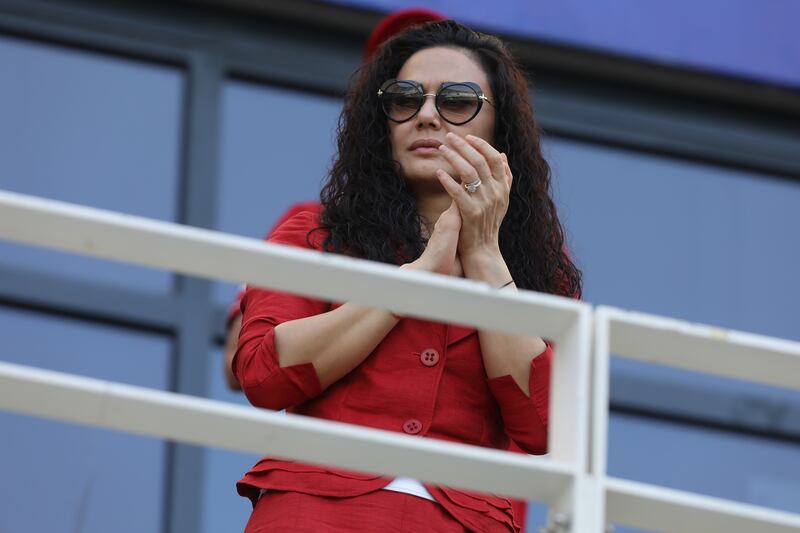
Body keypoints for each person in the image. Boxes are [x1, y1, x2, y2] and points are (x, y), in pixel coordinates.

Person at [233, 19, 581, 533]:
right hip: (311, 513)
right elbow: (264, 373)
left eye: (457, 100)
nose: (425, 115)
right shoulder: (316, 230)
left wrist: (484, 254)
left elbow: (545, 426)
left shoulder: (538, 266)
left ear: (498, 128)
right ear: (384, 122)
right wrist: (415, 280)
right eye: (404, 98)